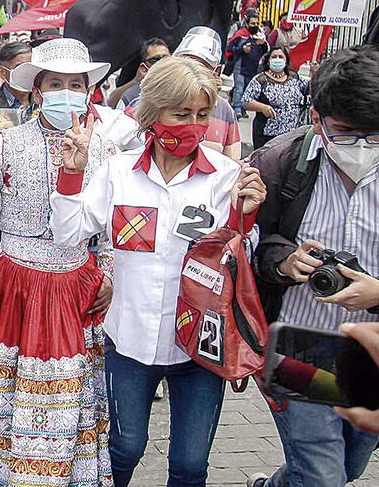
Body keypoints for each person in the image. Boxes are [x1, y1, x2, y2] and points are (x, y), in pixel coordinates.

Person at [49, 56, 267, 487]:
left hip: (200, 345)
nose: (192, 124)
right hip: (129, 339)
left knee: (189, 464)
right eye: (180, 113)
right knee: (124, 448)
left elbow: (238, 257)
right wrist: (71, 176)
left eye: (202, 115)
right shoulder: (117, 172)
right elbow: (69, 234)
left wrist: (246, 216)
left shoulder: (226, 178)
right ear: (153, 113)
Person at [0, 38, 115, 486]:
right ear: (36, 91)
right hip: (13, 288)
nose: (65, 92)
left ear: (88, 91)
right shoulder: (6, 146)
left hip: (74, 289)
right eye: (55, 84)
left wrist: (106, 271)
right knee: (2, 390)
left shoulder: (104, 150)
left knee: (68, 392)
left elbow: (110, 225)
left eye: (75, 84)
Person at [247, 45, 379, 487]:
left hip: (371, 353)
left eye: (374, 135)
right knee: (324, 476)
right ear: (318, 118)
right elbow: (246, 250)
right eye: (345, 133)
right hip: (299, 347)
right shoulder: (280, 164)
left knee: (350, 466)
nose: (361, 148)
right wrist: (285, 261)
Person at [170, 26, 244, 160]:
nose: (192, 71)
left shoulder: (224, 111)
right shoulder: (154, 101)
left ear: (216, 71)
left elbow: (232, 165)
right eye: (186, 63)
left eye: (202, 65)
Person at [242, 47, 309, 149]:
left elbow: (311, 89)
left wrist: (314, 72)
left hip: (291, 136)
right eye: (274, 57)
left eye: (281, 57)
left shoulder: (295, 78)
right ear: (268, 61)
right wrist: (262, 107)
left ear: (286, 61)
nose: (277, 59)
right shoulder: (260, 80)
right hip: (268, 136)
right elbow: (246, 101)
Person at [106, 37, 170, 110]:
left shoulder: (182, 80)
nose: (162, 63)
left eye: (165, 58)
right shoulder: (133, 94)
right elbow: (111, 102)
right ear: (144, 66)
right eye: (154, 60)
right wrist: (136, 81)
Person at [229, 10, 271, 117]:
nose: (255, 26)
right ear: (247, 24)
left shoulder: (259, 36)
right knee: (239, 88)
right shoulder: (240, 35)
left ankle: (243, 108)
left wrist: (263, 45)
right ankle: (236, 108)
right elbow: (230, 48)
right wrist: (242, 49)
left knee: (247, 88)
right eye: (253, 24)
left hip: (253, 67)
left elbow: (266, 50)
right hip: (240, 66)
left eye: (257, 23)